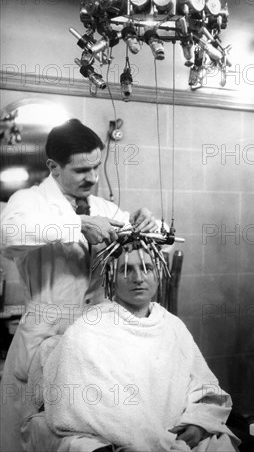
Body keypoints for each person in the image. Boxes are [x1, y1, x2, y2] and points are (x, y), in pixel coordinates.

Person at [0, 119, 158, 452]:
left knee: (94, 434)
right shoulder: (28, 201)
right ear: (53, 168)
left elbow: (157, 244)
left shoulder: (103, 208)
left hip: (97, 343)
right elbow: (9, 235)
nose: (93, 177)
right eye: (82, 170)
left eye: (97, 167)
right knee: (38, 435)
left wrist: (148, 222)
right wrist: (76, 225)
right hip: (45, 340)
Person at [39, 238, 239, 452]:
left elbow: (205, 389)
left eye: (147, 268)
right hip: (119, 443)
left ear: (158, 274)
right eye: (126, 269)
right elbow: (76, 407)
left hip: (180, 437)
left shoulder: (172, 326)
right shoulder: (88, 329)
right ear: (111, 277)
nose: (138, 278)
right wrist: (151, 439)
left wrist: (198, 424)